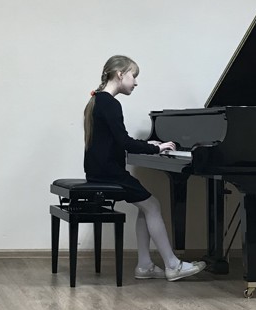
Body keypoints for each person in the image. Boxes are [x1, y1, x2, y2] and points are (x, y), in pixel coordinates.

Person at [83, 55, 205, 282]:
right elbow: (124, 142)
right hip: (109, 173)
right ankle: (173, 265)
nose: (136, 82)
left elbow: (117, 140)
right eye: (134, 76)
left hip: (99, 170)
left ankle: (145, 265)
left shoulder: (98, 100)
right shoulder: (110, 103)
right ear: (120, 74)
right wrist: (156, 149)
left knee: (146, 206)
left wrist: (148, 144)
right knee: (153, 205)